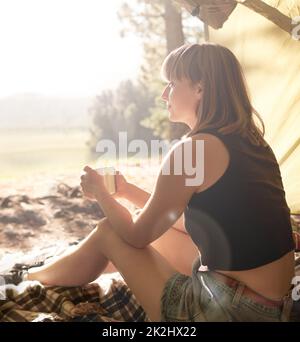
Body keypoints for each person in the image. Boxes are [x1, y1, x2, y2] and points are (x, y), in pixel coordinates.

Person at [12, 43, 297, 321]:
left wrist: (102, 194)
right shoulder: (252, 141)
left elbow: (137, 235)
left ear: (200, 88)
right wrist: (126, 192)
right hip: (271, 304)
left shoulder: (193, 150)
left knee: (110, 231)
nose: (164, 94)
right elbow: (187, 220)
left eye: (172, 83)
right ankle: (43, 271)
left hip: (231, 310)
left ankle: (28, 276)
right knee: (163, 233)